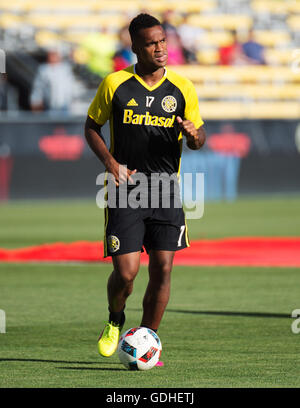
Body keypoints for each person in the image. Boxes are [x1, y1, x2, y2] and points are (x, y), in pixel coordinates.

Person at [84, 13, 206, 363]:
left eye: (163, 41)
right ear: (135, 46)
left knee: (163, 268)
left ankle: (148, 341)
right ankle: (115, 319)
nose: (160, 48)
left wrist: (194, 135)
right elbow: (91, 127)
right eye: (151, 43)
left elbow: (199, 136)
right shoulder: (115, 83)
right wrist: (110, 163)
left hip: (167, 188)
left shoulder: (182, 87)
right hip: (126, 187)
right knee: (126, 273)